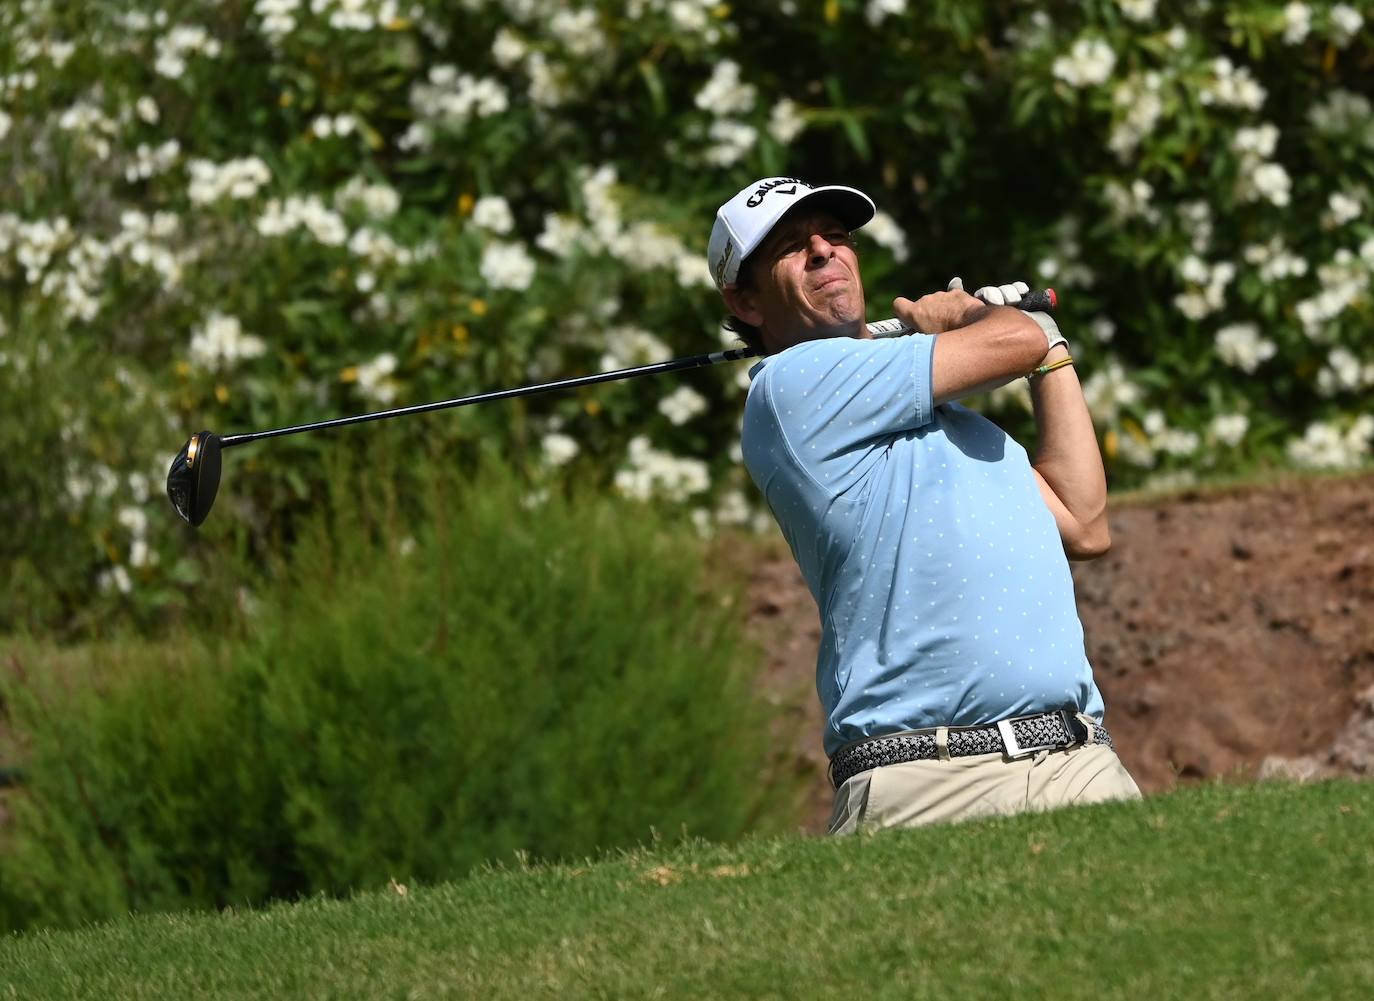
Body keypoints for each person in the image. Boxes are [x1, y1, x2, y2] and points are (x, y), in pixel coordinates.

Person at [708, 176, 1141, 833]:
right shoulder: (789, 388)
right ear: (745, 300)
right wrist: (979, 319)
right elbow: (1009, 345)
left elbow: (1083, 521)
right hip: (925, 781)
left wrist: (1050, 346)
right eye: (793, 248)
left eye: (837, 237)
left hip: (1075, 761)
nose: (825, 252)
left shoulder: (962, 426)